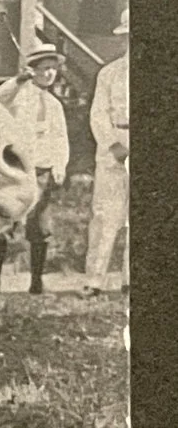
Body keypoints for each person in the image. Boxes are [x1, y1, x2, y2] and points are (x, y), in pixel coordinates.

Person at [0, 45, 70, 294]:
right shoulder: (16, 96)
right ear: (32, 71)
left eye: (53, 69)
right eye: (44, 69)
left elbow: (60, 138)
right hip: (14, 169)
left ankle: (36, 282)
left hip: (42, 173)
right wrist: (17, 81)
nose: (49, 74)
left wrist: (60, 164)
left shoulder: (54, 104)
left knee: (40, 227)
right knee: (3, 224)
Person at [86, 38, 128, 287]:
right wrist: (114, 145)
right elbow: (98, 114)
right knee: (105, 215)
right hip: (114, 143)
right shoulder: (110, 73)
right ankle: (94, 280)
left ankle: (131, 280)